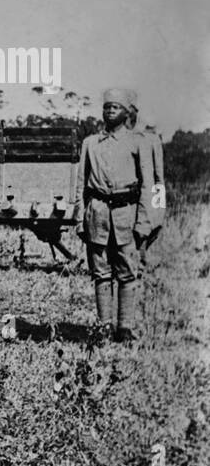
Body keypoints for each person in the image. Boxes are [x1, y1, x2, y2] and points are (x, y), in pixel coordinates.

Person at [74, 89, 152, 342]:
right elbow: (80, 184)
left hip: (125, 215)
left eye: (115, 107)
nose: (109, 111)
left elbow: (148, 185)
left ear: (126, 112)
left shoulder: (137, 142)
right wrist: (79, 218)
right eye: (107, 107)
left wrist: (144, 221)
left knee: (128, 273)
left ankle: (125, 328)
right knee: (101, 273)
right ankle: (104, 327)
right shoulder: (90, 144)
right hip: (97, 215)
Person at [126, 91, 165, 271]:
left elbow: (158, 175)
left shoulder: (150, 137)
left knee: (153, 223)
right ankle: (138, 261)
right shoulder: (123, 134)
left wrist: (159, 203)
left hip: (147, 189)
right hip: (126, 191)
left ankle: (141, 258)